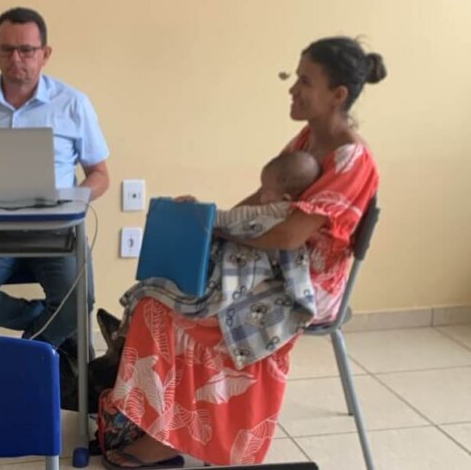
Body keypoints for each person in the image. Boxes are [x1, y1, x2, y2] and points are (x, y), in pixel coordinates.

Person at [101, 36, 384, 469]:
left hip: (307, 284)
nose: (292, 88)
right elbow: (263, 200)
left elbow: (289, 236)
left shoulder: (352, 160)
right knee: (158, 291)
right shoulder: (308, 138)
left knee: (179, 313)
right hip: (271, 263)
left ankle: (175, 437)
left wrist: (220, 230)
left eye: (305, 81)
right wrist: (208, 222)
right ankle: (158, 419)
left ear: (338, 94)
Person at [0, 7, 110, 351]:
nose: (16, 58)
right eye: (6, 49)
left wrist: (71, 200)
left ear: (45, 54)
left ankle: (30, 351)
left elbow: (100, 175)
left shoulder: (73, 104)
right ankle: (44, 327)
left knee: (79, 303)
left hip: (56, 230)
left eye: (26, 50)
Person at [212, 150, 321, 235]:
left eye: (265, 190)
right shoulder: (288, 207)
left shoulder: (282, 209)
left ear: (285, 198)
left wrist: (214, 217)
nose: (261, 196)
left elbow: (245, 214)